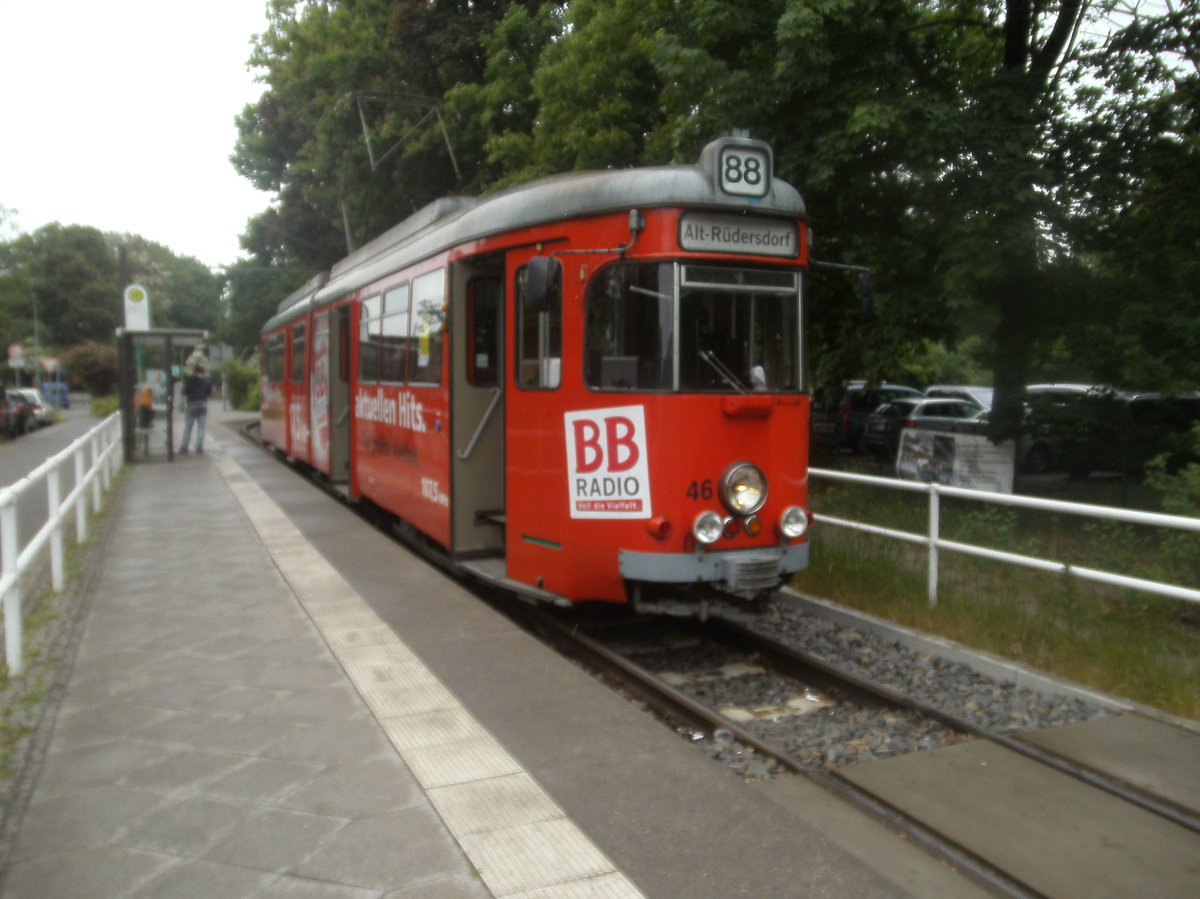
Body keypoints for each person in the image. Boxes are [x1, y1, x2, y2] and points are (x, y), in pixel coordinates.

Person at [178, 362, 213, 453]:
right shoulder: (206, 380)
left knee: (188, 427)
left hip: (191, 405)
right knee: (201, 427)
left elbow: (184, 392)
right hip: (202, 405)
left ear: (194, 371)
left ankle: (184, 447)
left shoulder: (190, 380)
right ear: (203, 372)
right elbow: (209, 392)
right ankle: (198, 446)